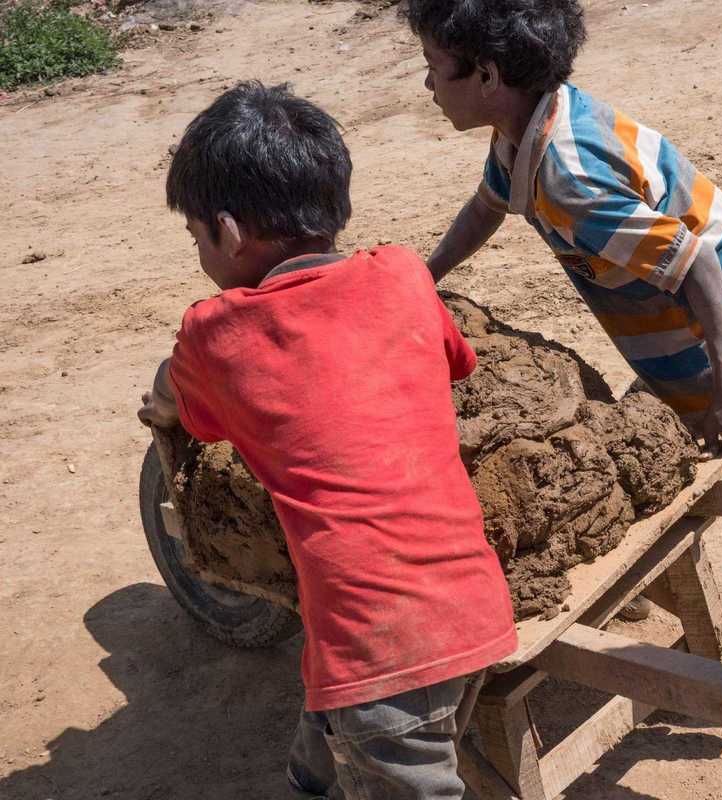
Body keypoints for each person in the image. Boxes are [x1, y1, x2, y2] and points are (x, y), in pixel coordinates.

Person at [402, 0, 722, 622]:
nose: (426, 85)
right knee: (670, 457)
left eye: (433, 66)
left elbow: (696, 265)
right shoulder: (529, 128)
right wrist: (424, 278)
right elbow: (486, 208)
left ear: (486, 75)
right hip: (704, 307)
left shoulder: (567, 178)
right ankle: (651, 597)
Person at [137, 81, 517, 800]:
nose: (200, 256)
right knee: (339, 704)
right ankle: (312, 779)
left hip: (383, 653)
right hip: (472, 605)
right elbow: (456, 362)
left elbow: (194, 416)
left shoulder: (216, 332)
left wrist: (163, 398)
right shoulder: (405, 274)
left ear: (229, 232)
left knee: (384, 740)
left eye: (196, 239)